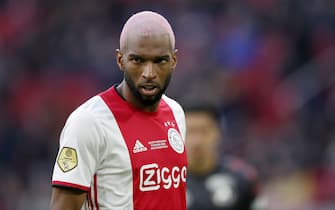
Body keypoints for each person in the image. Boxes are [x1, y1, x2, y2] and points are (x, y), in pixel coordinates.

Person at [50, 11, 187, 210]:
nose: (149, 73)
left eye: (160, 61)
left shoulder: (176, 113)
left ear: (174, 60)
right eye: (138, 60)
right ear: (120, 59)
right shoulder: (89, 122)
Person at [184, 104, 260, 210]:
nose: (197, 140)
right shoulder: (165, 181)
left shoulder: (243, 177)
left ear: (218, 132)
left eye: (204, 131)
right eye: (190, 132)